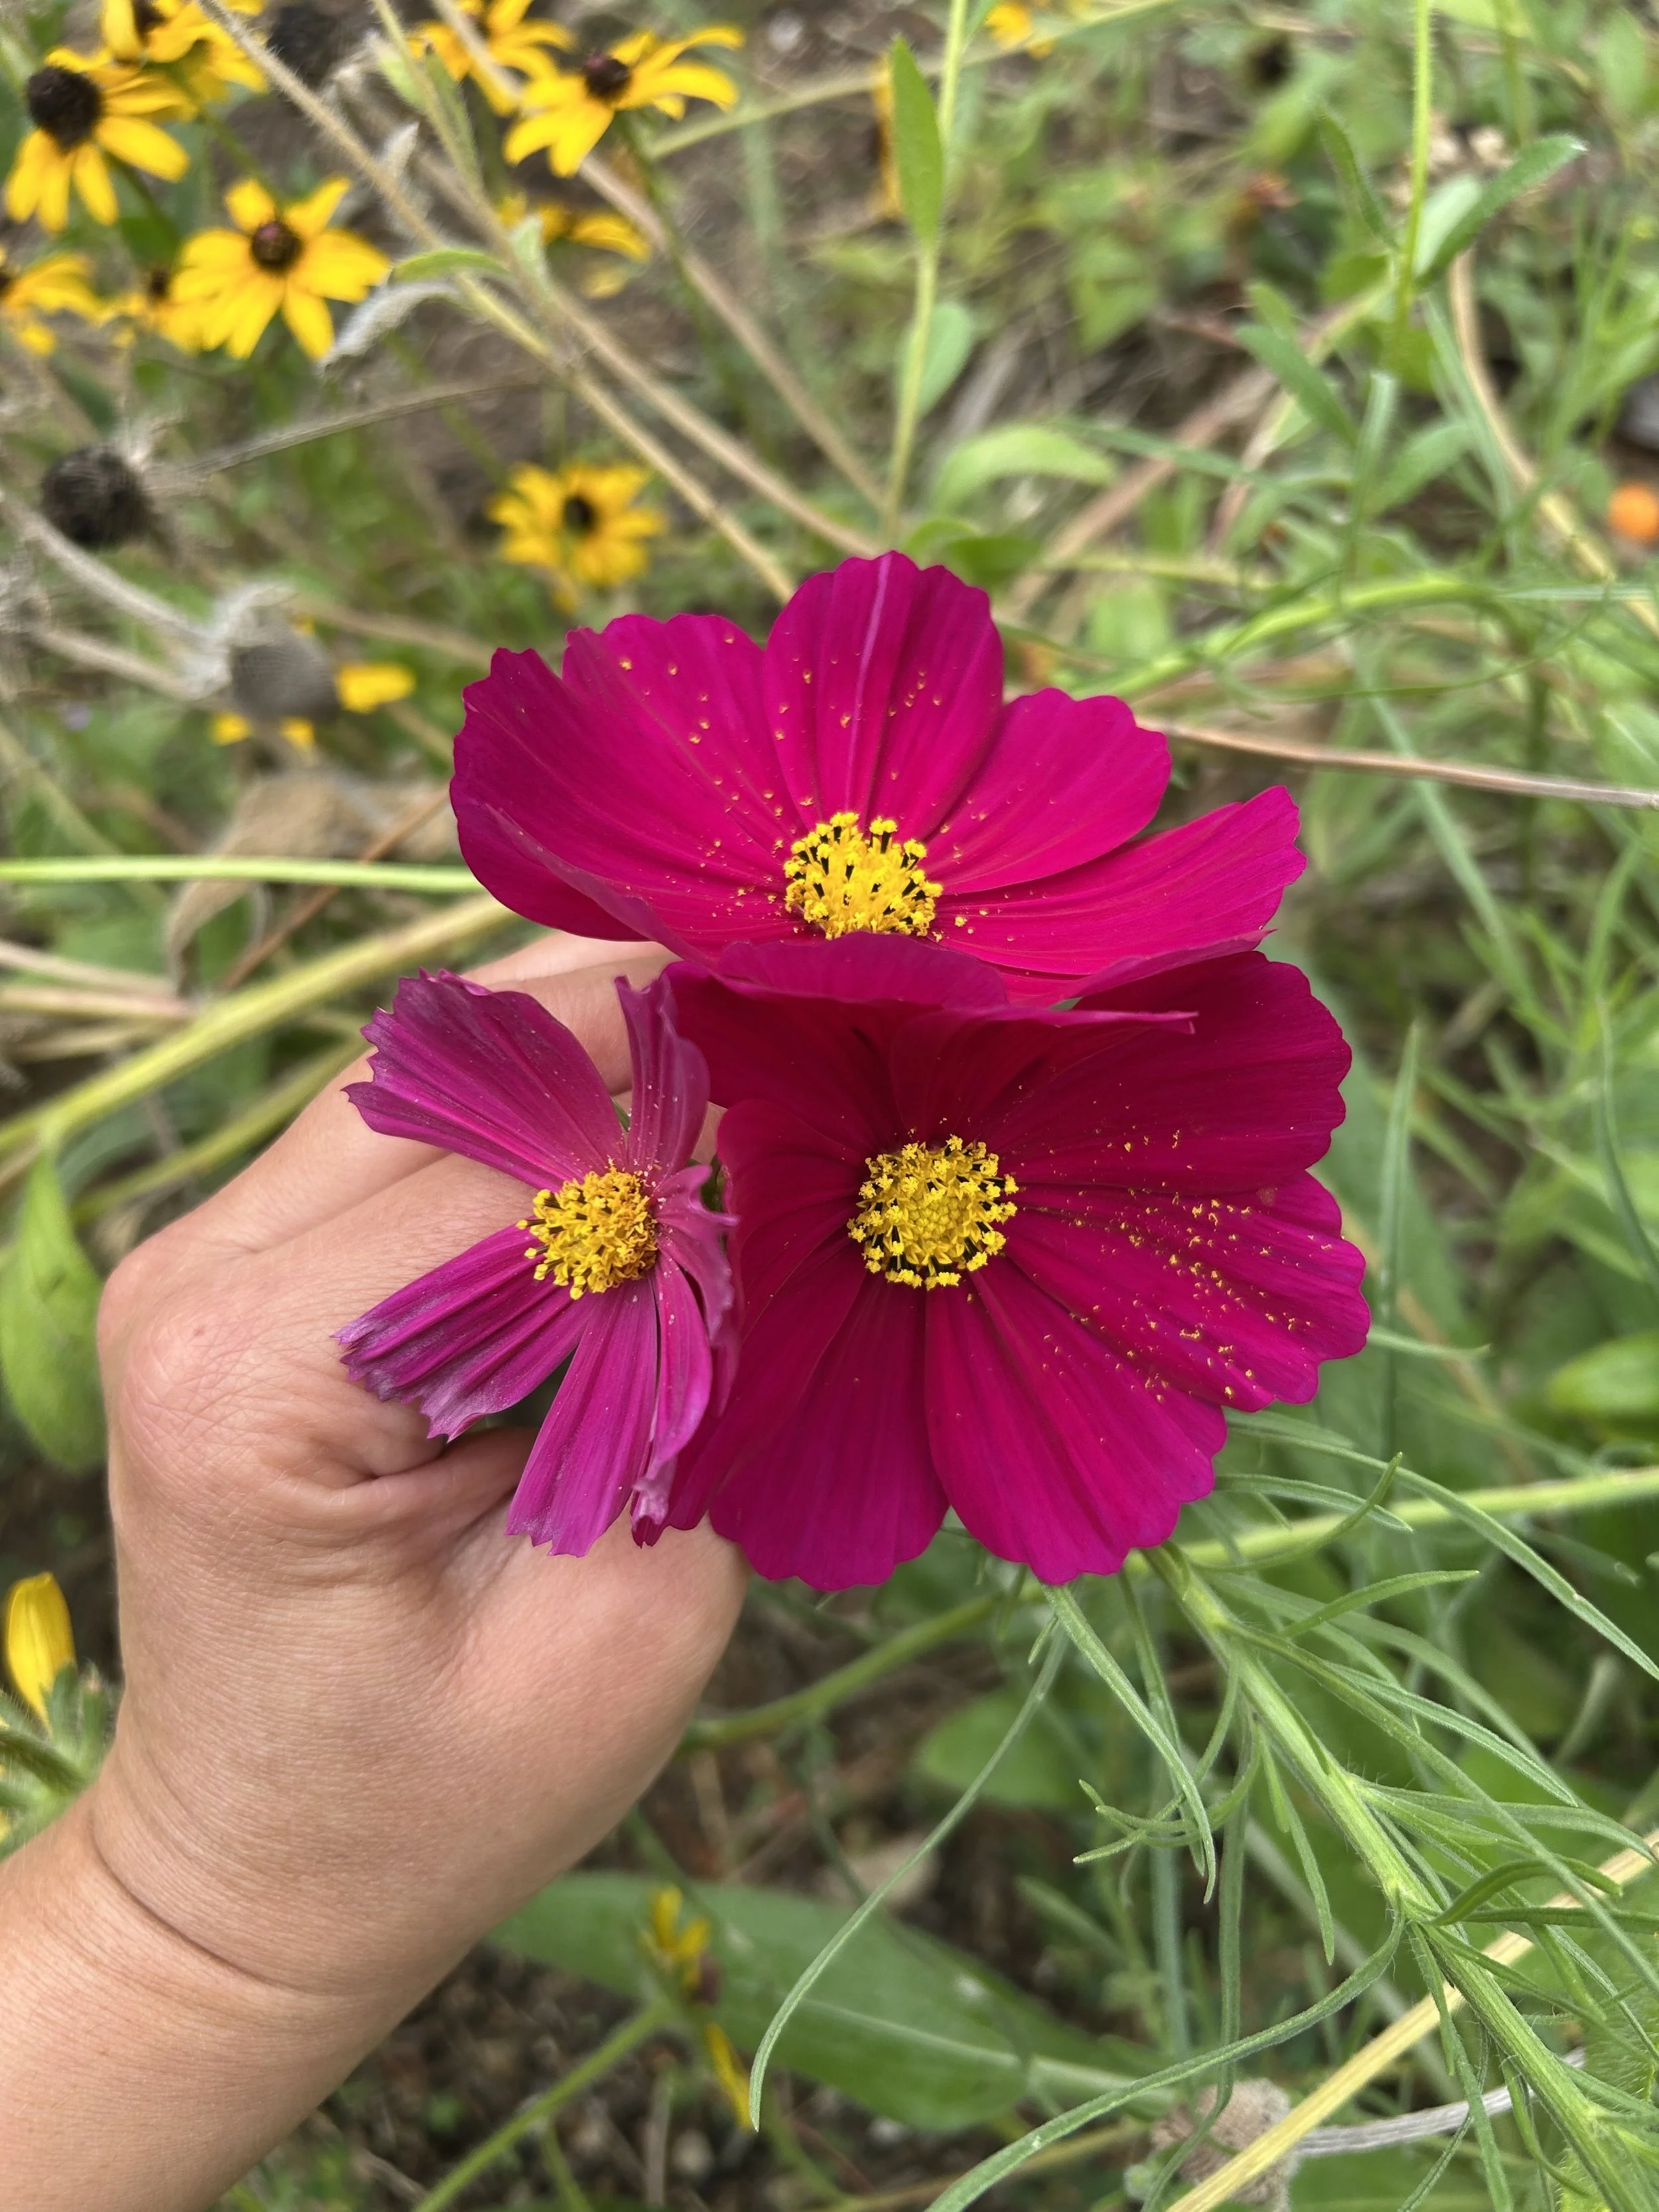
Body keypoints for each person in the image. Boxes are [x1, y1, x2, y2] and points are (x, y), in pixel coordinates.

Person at [0, 934, 747, 2212]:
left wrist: (179, 1927)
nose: (585, 1228)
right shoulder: (623, 1237)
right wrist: (196, 1923)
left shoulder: (620, 1218)